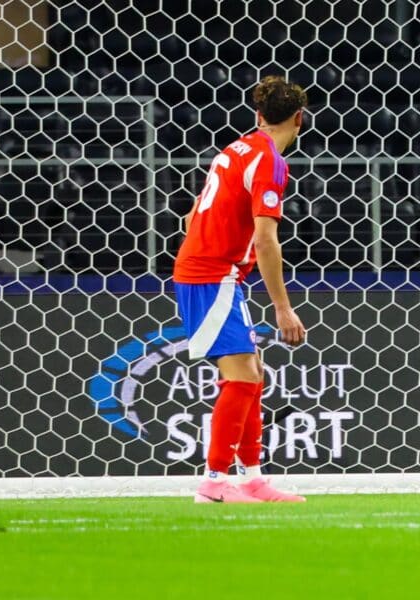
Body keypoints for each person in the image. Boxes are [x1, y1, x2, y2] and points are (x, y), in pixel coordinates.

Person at [174, 75, 308, 503]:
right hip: (213, 275)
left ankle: (252, 478)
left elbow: (193, 213)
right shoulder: (270, 162)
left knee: (253, 375)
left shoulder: (235, 148)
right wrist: (283, 309)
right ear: (300, 119)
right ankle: (214, 483)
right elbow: (267, 239)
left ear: (258, 115)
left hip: (215, 272)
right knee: (243, 377)